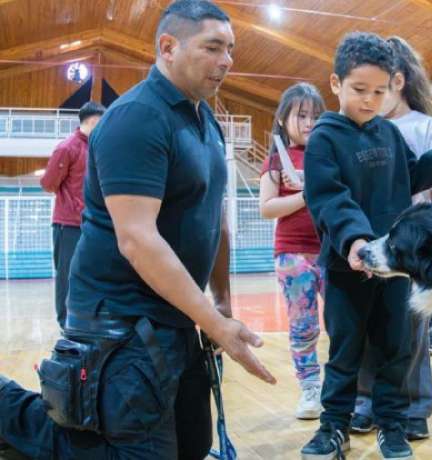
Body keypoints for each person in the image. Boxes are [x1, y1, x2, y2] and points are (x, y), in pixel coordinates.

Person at [0, 2, 275, 458]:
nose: (226, 60)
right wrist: (215, 324)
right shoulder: (136, 118)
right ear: (168, 47)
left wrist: (222, 301)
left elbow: (215, 218)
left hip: (174, 314)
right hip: (120, 322)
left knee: (193, 446)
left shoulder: (207, 123)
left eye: (230, 49)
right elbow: (137, 239)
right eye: (212, 47)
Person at [300, 32, 432, 460]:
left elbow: (408, 178)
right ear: (335, 84)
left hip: (394, 267)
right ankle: (334, 426)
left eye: (379, 91)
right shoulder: (324, 138)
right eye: (359, 89)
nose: (370, 100)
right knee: (345, 351)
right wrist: (356, 240)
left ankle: (393, 426)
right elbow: (330, 197)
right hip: (347, 267)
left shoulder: (389, 133)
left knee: (396, 349)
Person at [352, 35, 432, 441]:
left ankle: (414, 407)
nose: (371, 96)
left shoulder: (425, 128)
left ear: (398, 81)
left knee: (412, 333)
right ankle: (364, 402)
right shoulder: (362, 128)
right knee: (365, 328)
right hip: (367, 243)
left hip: (411, 253)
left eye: (380, 86)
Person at [259, 82, 326, 420]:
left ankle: (346, 387)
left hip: (331, 251)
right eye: (301, 116)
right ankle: (310, 387)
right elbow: (267, 207)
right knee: (303, 325)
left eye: (315, 116)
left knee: (346, 322)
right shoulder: (276, 159)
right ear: (284, 119)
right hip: (293, 254)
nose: (309, 123)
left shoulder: (328, 156)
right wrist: (304, 195)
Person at [40, 101, 106, 329]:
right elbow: (48, 183)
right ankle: (65, 322)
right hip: (68, 225)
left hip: (92, 224)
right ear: (93, 121)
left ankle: (86, 321)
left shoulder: (96, 148)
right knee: (67, 275)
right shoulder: (67, 148)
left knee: (92, 275)